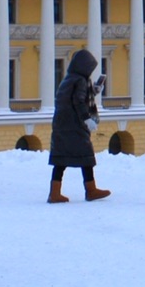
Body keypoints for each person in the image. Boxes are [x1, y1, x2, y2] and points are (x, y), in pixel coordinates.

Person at [48, 48, 109, 203]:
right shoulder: (80, 80)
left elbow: (75, 97)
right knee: (86, 157)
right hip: (75, 126)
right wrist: (87, 119)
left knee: (60, 160)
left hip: (62, 125)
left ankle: (54, 193)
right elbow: (79, 101)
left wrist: (94, 90)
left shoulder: (69, 79)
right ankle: (91, 190)